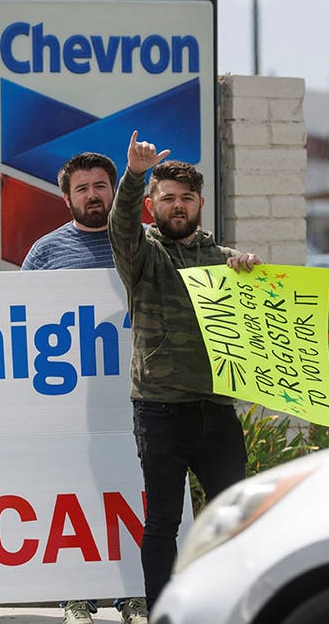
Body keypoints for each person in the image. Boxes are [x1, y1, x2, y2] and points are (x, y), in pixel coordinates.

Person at [108, 131, 260, 612]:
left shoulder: (225, 262)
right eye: (167, 198)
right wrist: (133, 176)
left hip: (217, 409)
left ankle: (230, 607)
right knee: (162, 522)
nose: (178, 206)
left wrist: (251, 272)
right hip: (159, 410)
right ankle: (161, 612)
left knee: (232, 520)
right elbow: (120, 228)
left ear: (199, 205)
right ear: (152, 204)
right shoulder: (143, 256)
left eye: (186, 199)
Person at [21, 152, 149, 624]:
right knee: (74, 494)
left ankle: (133, 593)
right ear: (66, 197)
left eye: (100, 186)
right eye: (82, 188)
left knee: (134, 492)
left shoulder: (142, 243)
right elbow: (21, 324)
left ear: (114, 191)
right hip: (69, 403)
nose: (92, 195)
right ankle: (77, 595)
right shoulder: (45, 253)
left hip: (137, 399)